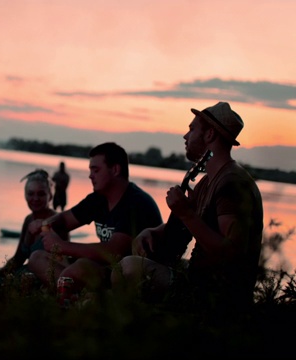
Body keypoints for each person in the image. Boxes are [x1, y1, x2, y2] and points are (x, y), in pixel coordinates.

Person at [111, 101, 264, 311]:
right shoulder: (208, 180)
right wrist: (153, 231)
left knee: (127, 268)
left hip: (214, 296)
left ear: (210, 135)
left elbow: (231, 254)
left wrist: (185, 213)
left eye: (192, 129)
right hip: (199, 277)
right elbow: (201, 222)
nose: (185, 136)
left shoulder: (233, 183)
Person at [27, 142, 163, 295]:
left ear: (115, 170)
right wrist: (44, 224)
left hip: (127, 275)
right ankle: (74, 291)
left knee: (79, 268)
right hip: (103, 269)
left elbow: (114, 252)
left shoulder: (136, 203)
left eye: (96, 170)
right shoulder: (98, 198)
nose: (90, 175)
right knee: (36, 258)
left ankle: (75, 292)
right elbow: (65, 220)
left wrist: (61, 246)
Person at [0, 169, 70, 286]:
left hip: (43, 279)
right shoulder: (28, 220)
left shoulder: (56, 221)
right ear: (25, 195)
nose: (35, 199)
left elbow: (62, 263)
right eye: (31, 193)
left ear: (50, 196)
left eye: (41, 194)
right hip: (25, 272)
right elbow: (18, 258)